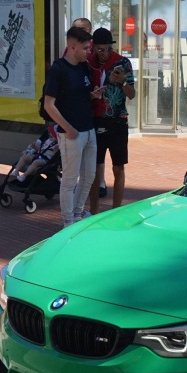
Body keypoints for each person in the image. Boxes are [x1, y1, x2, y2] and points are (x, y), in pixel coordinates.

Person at [42, 26, 97, 227]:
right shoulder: (58, 69)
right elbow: (49, 104)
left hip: (89, 129)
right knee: (70, 179)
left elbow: (78, 96)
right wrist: (68, 129)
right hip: (71, 134)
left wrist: (93, 95)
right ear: (72, 47)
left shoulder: (83, 67)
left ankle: (77, 213)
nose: (88, 52)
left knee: (89, 176)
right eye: (85, 48)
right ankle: (68, 221)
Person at [87, 27, 135, 215]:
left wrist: (123, 82)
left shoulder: (123, 63)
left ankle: (116, 211)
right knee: (95, 170)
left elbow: (132, 95)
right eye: (99, 49)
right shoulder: (88, 63)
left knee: (118, 167)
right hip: (96, 121)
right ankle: (94, 212)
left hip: (118, 122)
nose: (103, 53)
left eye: (106, 49)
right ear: (93, 47)